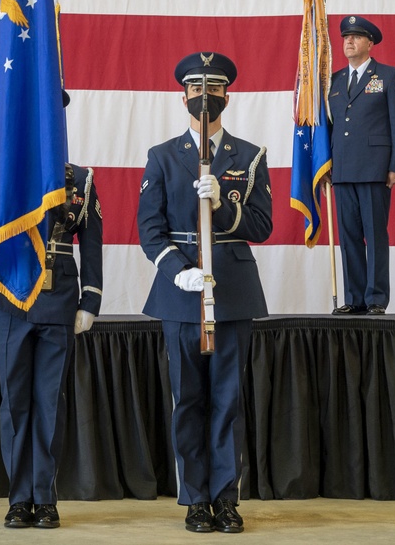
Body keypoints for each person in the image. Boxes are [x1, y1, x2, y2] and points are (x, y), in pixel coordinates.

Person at [137, 52, 272, 534]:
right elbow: (150, 229)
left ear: (226, 97)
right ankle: (195, 498)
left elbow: (262, 225)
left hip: (233, 290)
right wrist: (177, 271)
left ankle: (225, 498)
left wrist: (221, 206)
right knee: (188, 400)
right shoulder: (162, 156)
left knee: (228, 400)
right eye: (196, 90)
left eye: (213, 90)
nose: (205, 98)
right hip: (181, 293)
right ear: (184, 97)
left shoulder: (249, 156)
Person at [0, 92, 103, 530]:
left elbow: (93, 243)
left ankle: (44, 498)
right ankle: (18, 498)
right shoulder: (4, 165)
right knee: (15, 402)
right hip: (10, 295)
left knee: (49, 401)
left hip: (59, 296)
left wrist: (92, 299)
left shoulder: (80, 179)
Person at [328, 16, 395, 315]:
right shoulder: (334, 81)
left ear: (370, 42)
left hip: (375, 169)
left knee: (375, 235)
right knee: (348, 236)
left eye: (355, 37)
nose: (348, 42)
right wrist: (326, 166)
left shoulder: (390, 76)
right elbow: (330, 127)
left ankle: (376, 298)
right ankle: (355, 298)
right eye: (345, 37)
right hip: (342, 170)